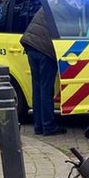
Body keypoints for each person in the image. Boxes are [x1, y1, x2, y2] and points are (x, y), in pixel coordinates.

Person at [20, 8, 66, 136]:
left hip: (31, 46)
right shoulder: (64, 7)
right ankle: (48, 126)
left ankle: (38, 126)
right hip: (44, 50)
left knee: (38, 89)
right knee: (46, 89)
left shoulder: (49, 1)